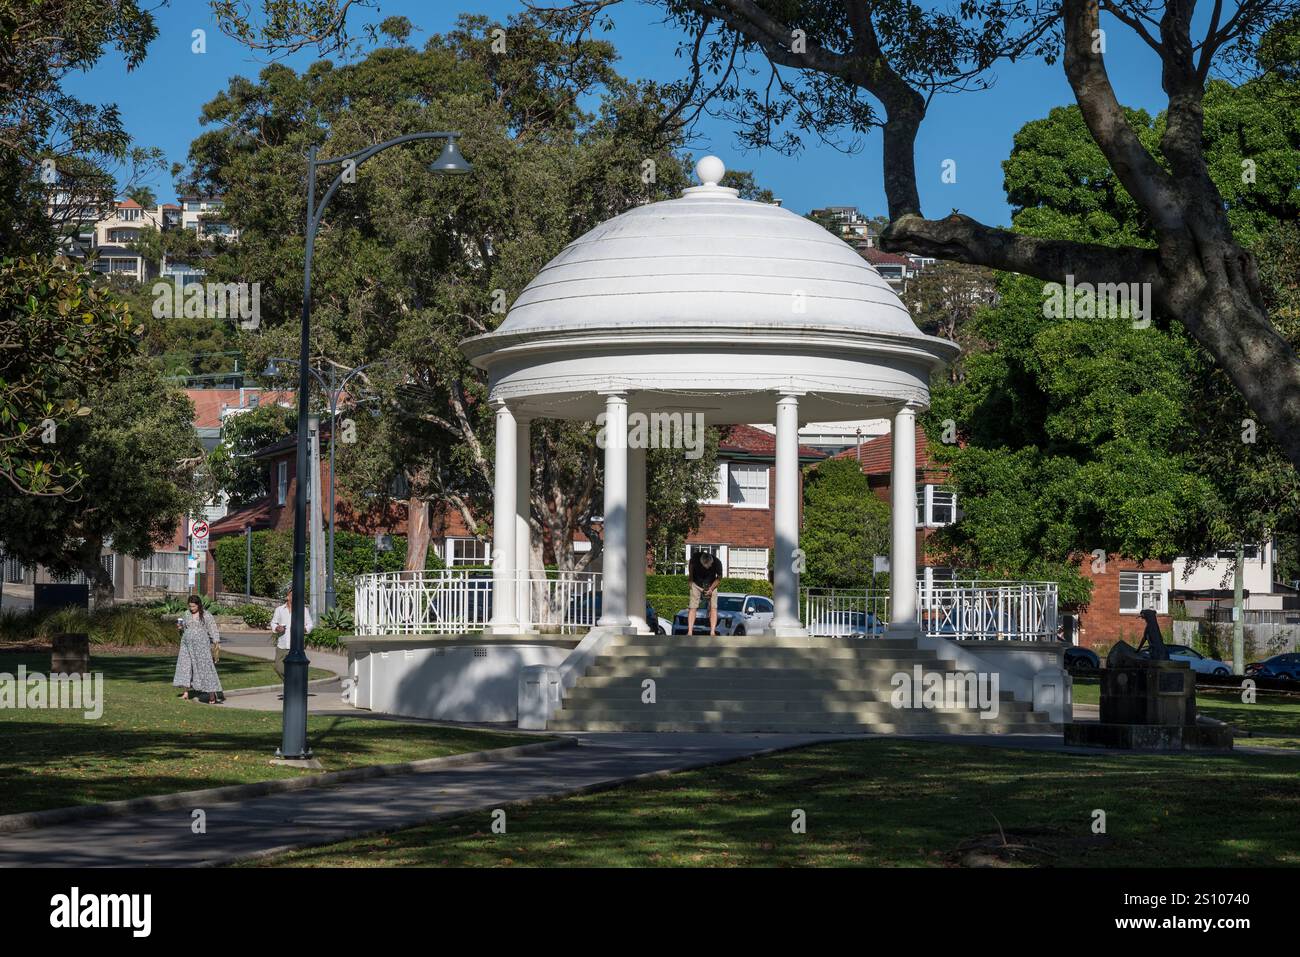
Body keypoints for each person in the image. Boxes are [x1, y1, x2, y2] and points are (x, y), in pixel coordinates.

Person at [172, 595, 224, 703]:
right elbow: (184, 627)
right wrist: (180, 627)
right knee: (185, 666)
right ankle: (186, 692)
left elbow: (212, 627)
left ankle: (211, 695)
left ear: (198, 605)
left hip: (201, 646)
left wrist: (216, 641)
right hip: (186, 644)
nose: (192, 608)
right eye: (190, 606)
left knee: (205, 667)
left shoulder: (206, 615)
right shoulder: (186, 614)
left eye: (194, 606)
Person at [269, 586, 314, 680]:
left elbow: (310, 624)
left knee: (298, 668)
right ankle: (291, 683)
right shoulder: (279, 610)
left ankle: (292, 686)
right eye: (292, 595)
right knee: (278, 667)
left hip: (297, 646)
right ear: (287, 597)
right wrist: (277, 628)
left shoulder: (303, 610)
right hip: (282, 645)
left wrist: (304, 629)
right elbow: (273, 623)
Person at [686, 549, 723, 637]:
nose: (706, 568)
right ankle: (690, 632)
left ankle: (712, 632)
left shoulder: (717, 563)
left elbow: (719, 578)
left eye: (708, 566)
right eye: (704, 566)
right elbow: (691, 564)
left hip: (711, 584)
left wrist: (711, 589)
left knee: (713, 607)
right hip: (696, 584)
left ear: (711, 562)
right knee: (692, 607)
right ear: (701, 561)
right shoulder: (695, 557)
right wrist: (690, 579)